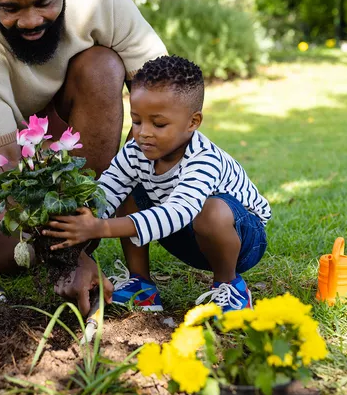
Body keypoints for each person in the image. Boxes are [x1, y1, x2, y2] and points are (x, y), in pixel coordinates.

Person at [0, 0, 167, 315]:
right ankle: (73, 242)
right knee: (9, 256)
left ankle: (85, 222)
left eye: (45, 2)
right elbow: (5, 166)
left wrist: (134, 177)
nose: (30, 20)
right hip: (10, 149)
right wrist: (68, 257)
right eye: (9, 7)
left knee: (102, 67)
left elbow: (163, 90)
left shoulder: (101, 0)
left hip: (75, 127)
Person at [43, 56, 271, 313]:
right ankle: (142, 287)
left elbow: (178, 213)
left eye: (159, 124)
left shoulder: (204, 159)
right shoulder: (135, 151)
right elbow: (107, 190)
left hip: (241, 241)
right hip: (186, 234)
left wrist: (99, 228)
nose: (143, 132)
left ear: (192, 122)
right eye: (137, 121)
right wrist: (77, 219)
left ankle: (230, 287)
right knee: (128, 188)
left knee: (212, 211)